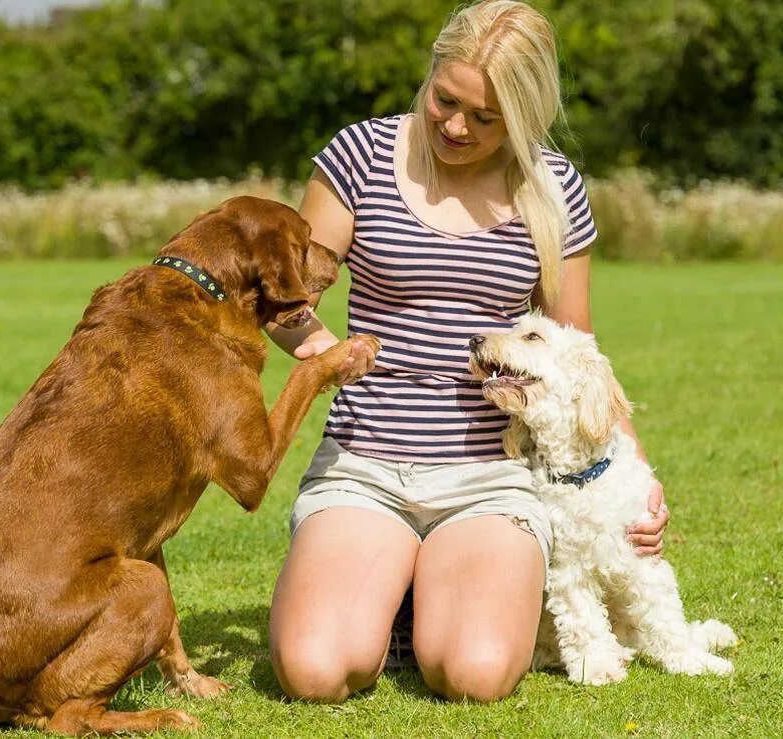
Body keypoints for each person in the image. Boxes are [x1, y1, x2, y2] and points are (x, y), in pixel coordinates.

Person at [265, 0, 669, 704]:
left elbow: (576, 346)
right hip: (365, 464)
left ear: (525, 115)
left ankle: (424, 592)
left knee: (474, 673)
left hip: (493, 473)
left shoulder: (554, 188)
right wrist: (328, 351)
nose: (455, 126)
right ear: (428, 75)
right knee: (316, 670)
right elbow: (283, 296)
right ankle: (392, 590)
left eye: (485, 118)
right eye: (444, 100)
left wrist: (634, 473)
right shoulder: (359, 155)